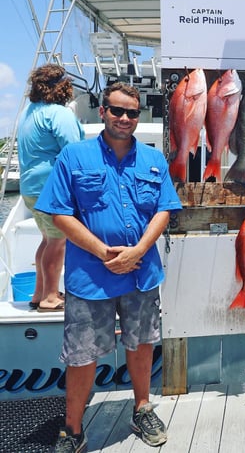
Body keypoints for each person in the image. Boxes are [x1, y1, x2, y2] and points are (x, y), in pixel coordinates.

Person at [35, 82, 182, 452]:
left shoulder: (153, 159)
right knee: (82, 354)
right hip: (90, 277)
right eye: (117, 110)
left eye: (132, 113)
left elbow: (165, 209)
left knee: (142, 343)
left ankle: (142, 408)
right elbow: (58, 212)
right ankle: (73, 429)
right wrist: (103, 252)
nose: (124, 118)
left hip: (142, 273)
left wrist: (139, 251)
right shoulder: (74, 155)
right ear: (102, 112)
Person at [17, 64, 84, 312]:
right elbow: (74, 150)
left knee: (47, 240)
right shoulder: (59, 113)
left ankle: (39, 294)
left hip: (30, 189)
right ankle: (50, 297)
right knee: (58, 242)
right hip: (51, 188)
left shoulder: (29, 111)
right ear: (63, 86)